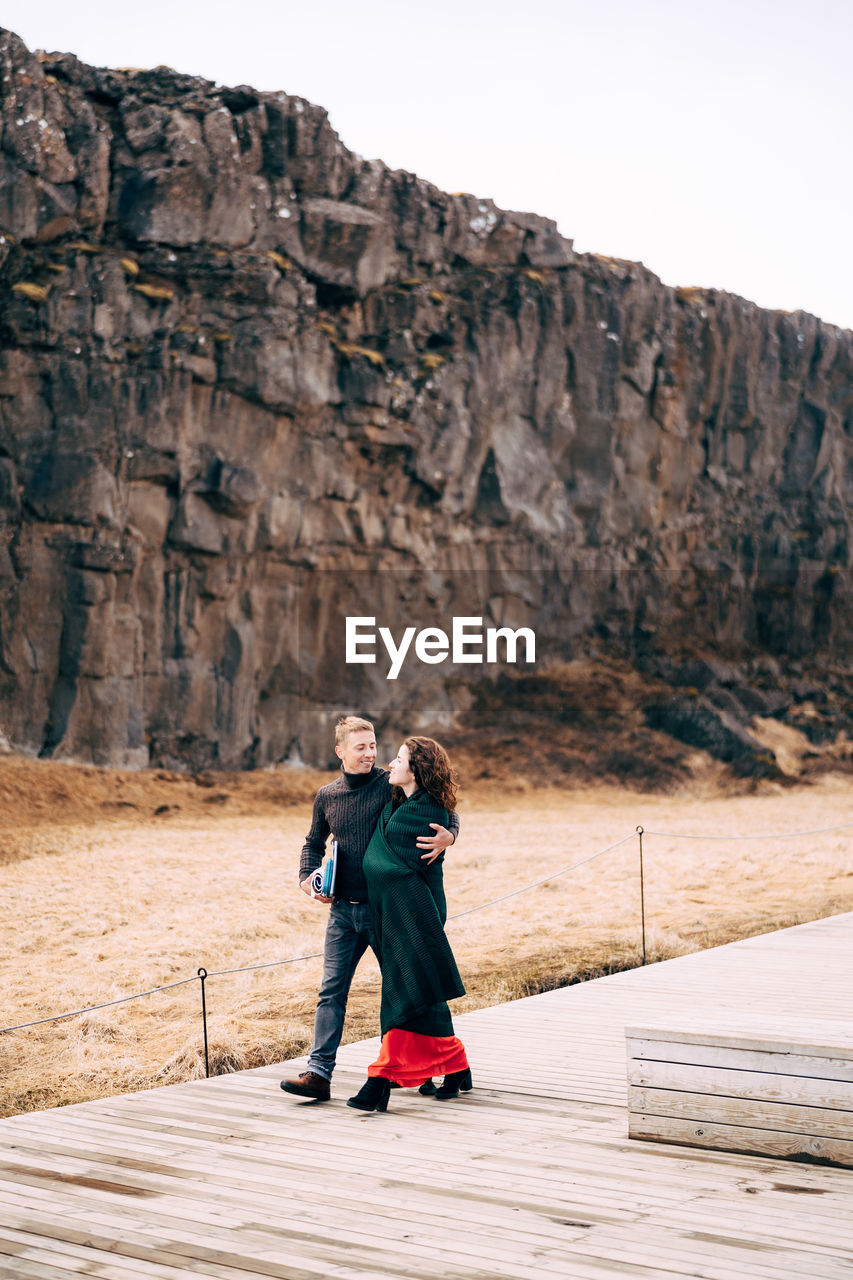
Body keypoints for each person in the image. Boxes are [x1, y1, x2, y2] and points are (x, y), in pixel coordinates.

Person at [280, 716, 459, 1101]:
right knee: (331, 992)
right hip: (342, 912)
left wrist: (450, 836)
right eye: (360, 747)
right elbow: (312, 843)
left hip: (385, 911)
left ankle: (428, 1068)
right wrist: (307, 878)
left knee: (412, 986)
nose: (370, 754)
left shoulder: (389, 782)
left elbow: (440, 800)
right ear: (340, 751)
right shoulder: (327, 796)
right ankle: (318, 1074)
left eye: (373, 745)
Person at [347, 736, 472, 1113]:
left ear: (416, 769)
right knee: (420, 990)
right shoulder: (401, 802)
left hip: (415, 912)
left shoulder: (424, 811)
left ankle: (380, 1079)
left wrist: (451, 833)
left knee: (401, 991)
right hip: (398, 911)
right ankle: (456, 1064)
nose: (390, 763)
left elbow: (383, 861)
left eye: (399, 758)